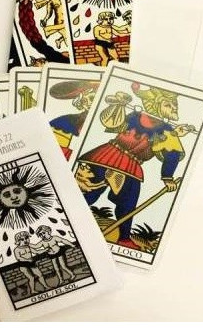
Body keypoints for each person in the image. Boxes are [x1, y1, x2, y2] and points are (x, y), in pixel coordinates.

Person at [75, 83, 194, 249]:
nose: (173, 108)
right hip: (106, 156)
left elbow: (172, 155)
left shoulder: (167, 131)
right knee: (87, 193)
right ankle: (70, 221)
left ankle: (124, 238)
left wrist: (167, 177)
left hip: (130, 166)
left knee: (128, 204)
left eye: (174, 105)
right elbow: (110, 122)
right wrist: (119, 104)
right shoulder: (134, 116)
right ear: (155, 105)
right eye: (168, 105)